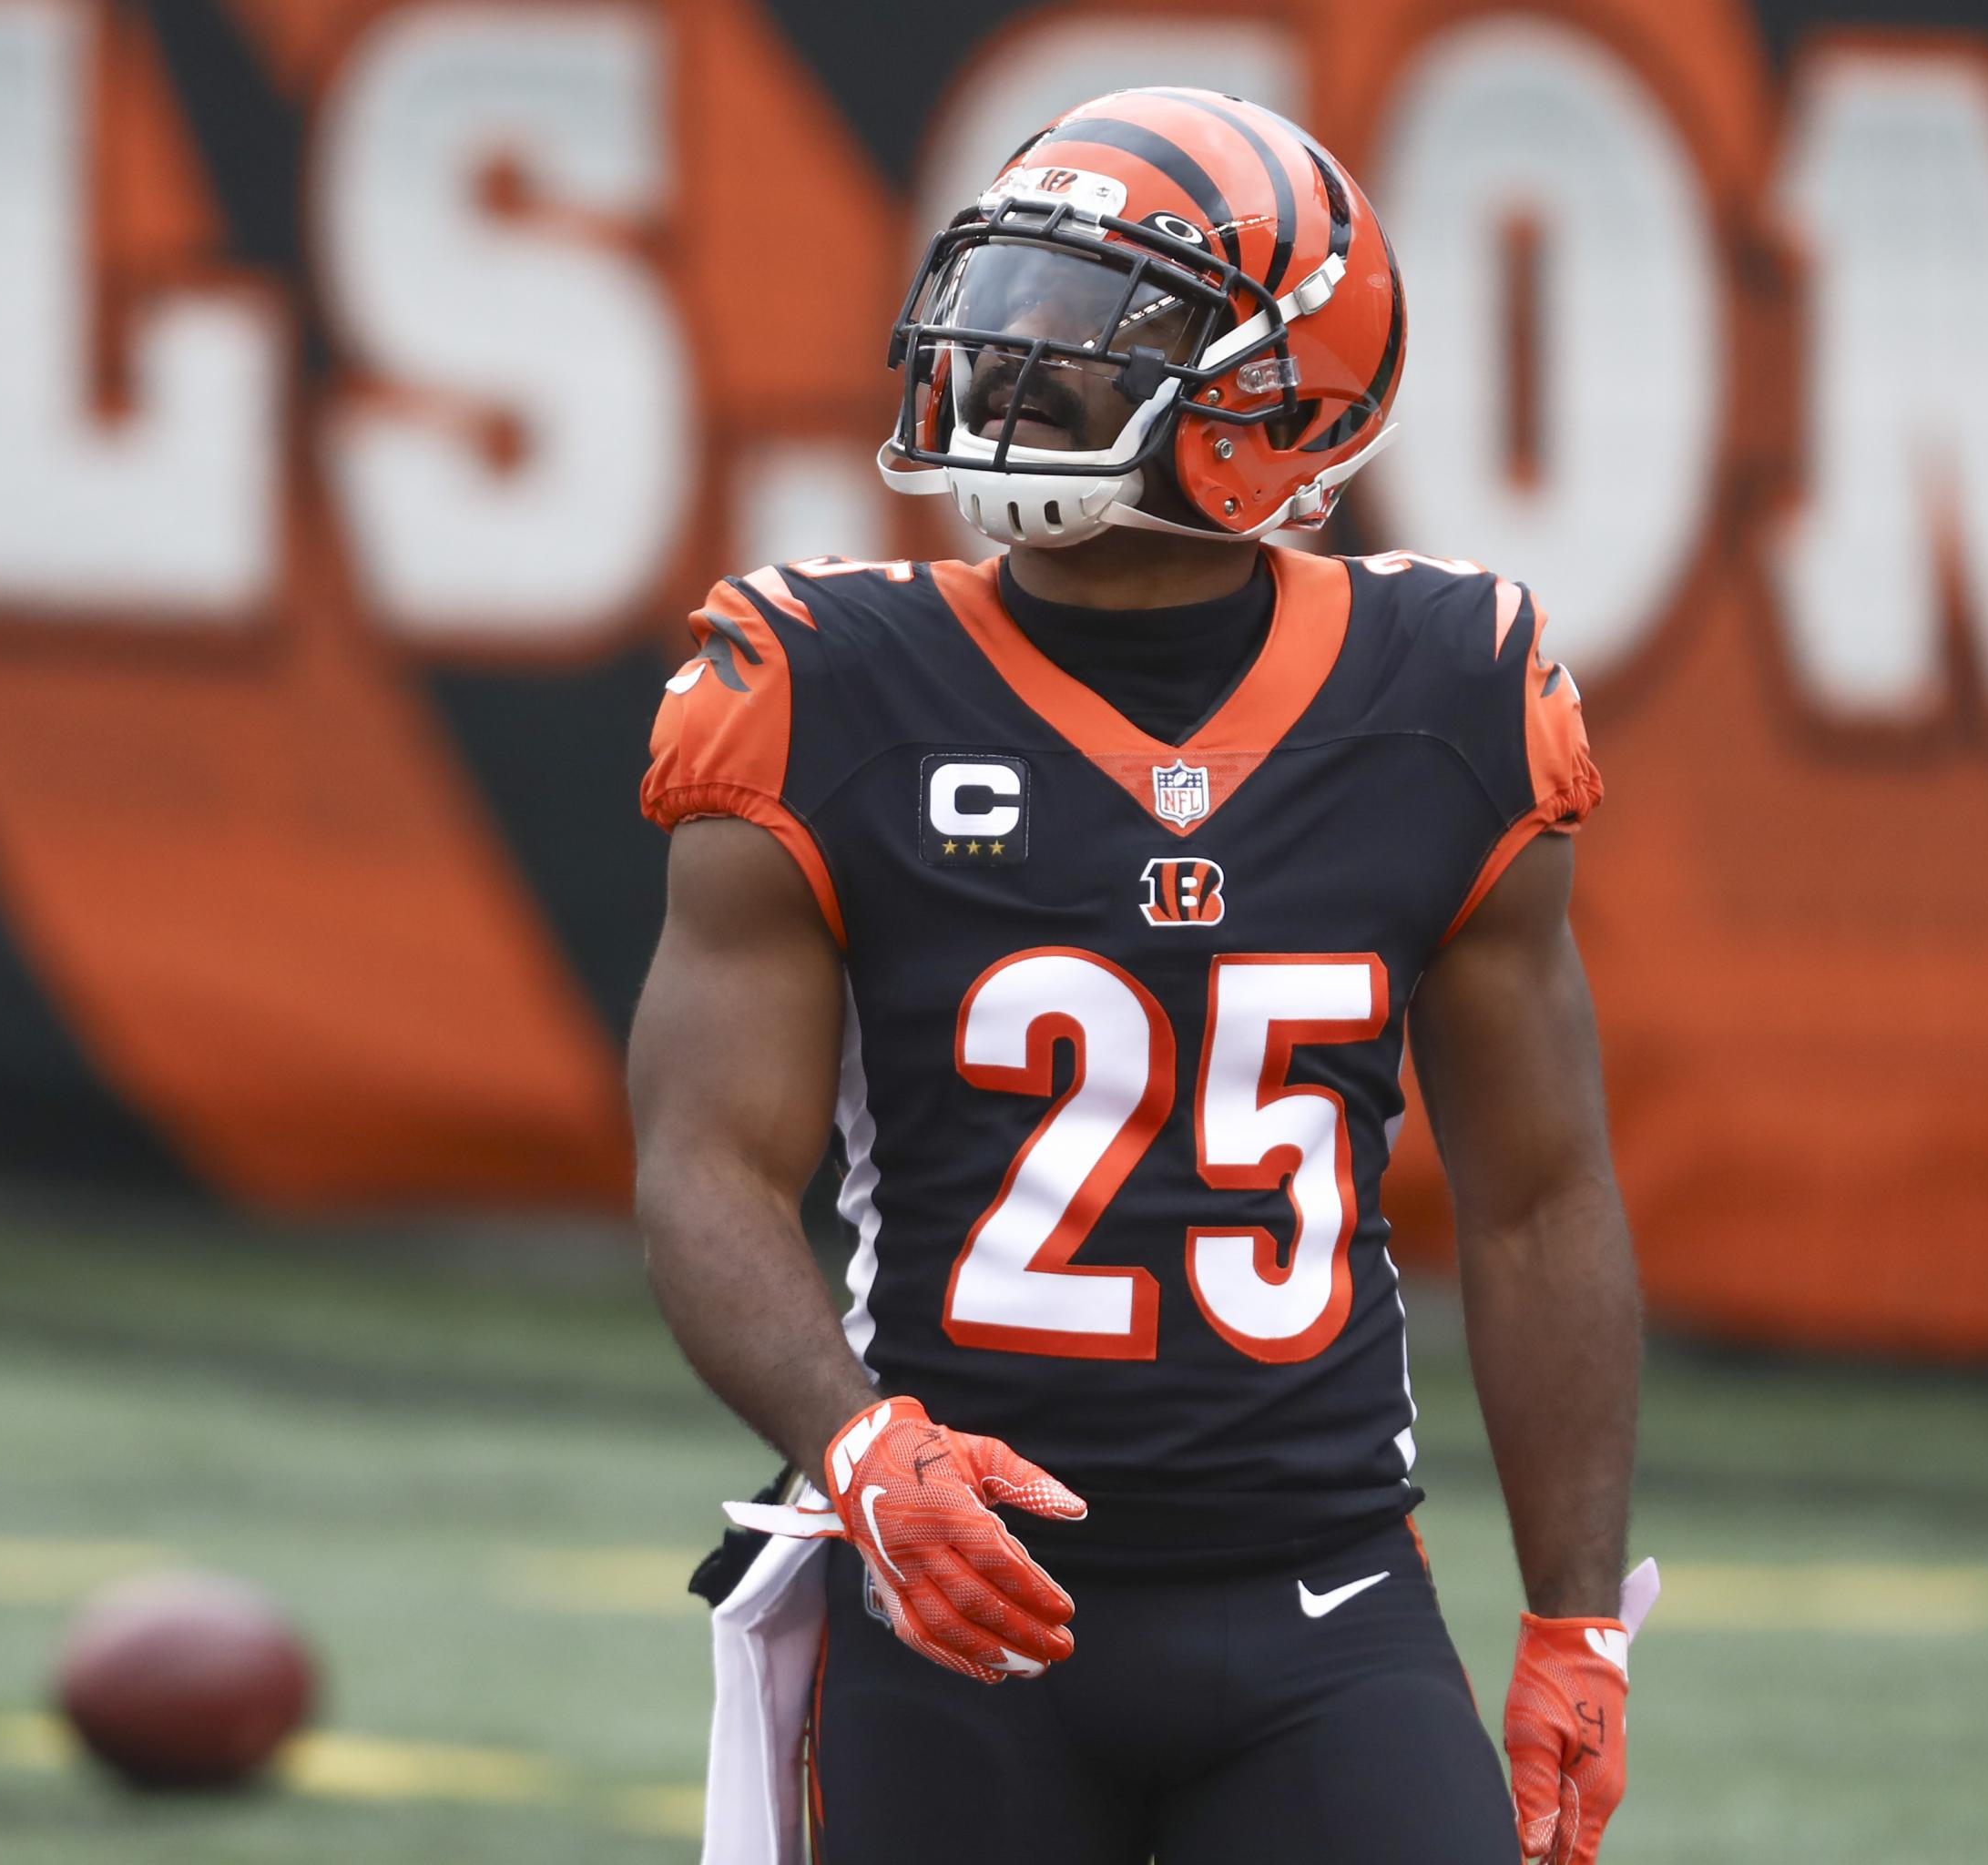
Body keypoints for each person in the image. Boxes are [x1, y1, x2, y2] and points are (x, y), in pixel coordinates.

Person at [631, 87, 1641, 1865]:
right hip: (950, 1589)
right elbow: (704, 1163)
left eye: (1099, 317)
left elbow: (1542, 1198)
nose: (1012, 359)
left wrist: (1578, 1619)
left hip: (1322, 1595)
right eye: (1007, 295)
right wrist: (857, 1448)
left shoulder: (1448, 692)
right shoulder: (822, 681)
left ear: (1282, 399)